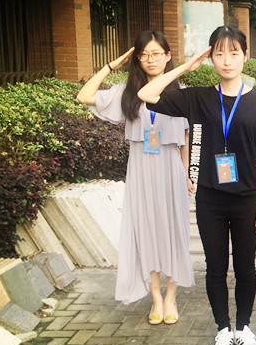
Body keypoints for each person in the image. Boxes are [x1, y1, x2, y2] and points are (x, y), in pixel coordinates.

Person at [137, 26, 256, 345]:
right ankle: (222, 329)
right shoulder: (198, 98)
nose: (227, 60)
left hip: (247, 200)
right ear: (211, 58)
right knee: (215, 267)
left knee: (245, 267)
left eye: (234, 53)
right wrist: (185, 68)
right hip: (210, 199)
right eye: (219, 53)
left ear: (245, 56)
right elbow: (147, 94)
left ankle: (243, 328)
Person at [75, 30, 194, 324]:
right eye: (144, 55)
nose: (150, 60)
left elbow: (185, 140)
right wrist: (110, 66)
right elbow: (84, 96)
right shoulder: (126, 92)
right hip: (140, 169)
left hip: (170, 168)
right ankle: (156, 299)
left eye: (156, 53)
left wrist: (187, 174)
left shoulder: (181, 94)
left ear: (168, 56)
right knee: (145, 232)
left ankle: (171, 297)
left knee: (174, 232)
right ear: (137, 59)